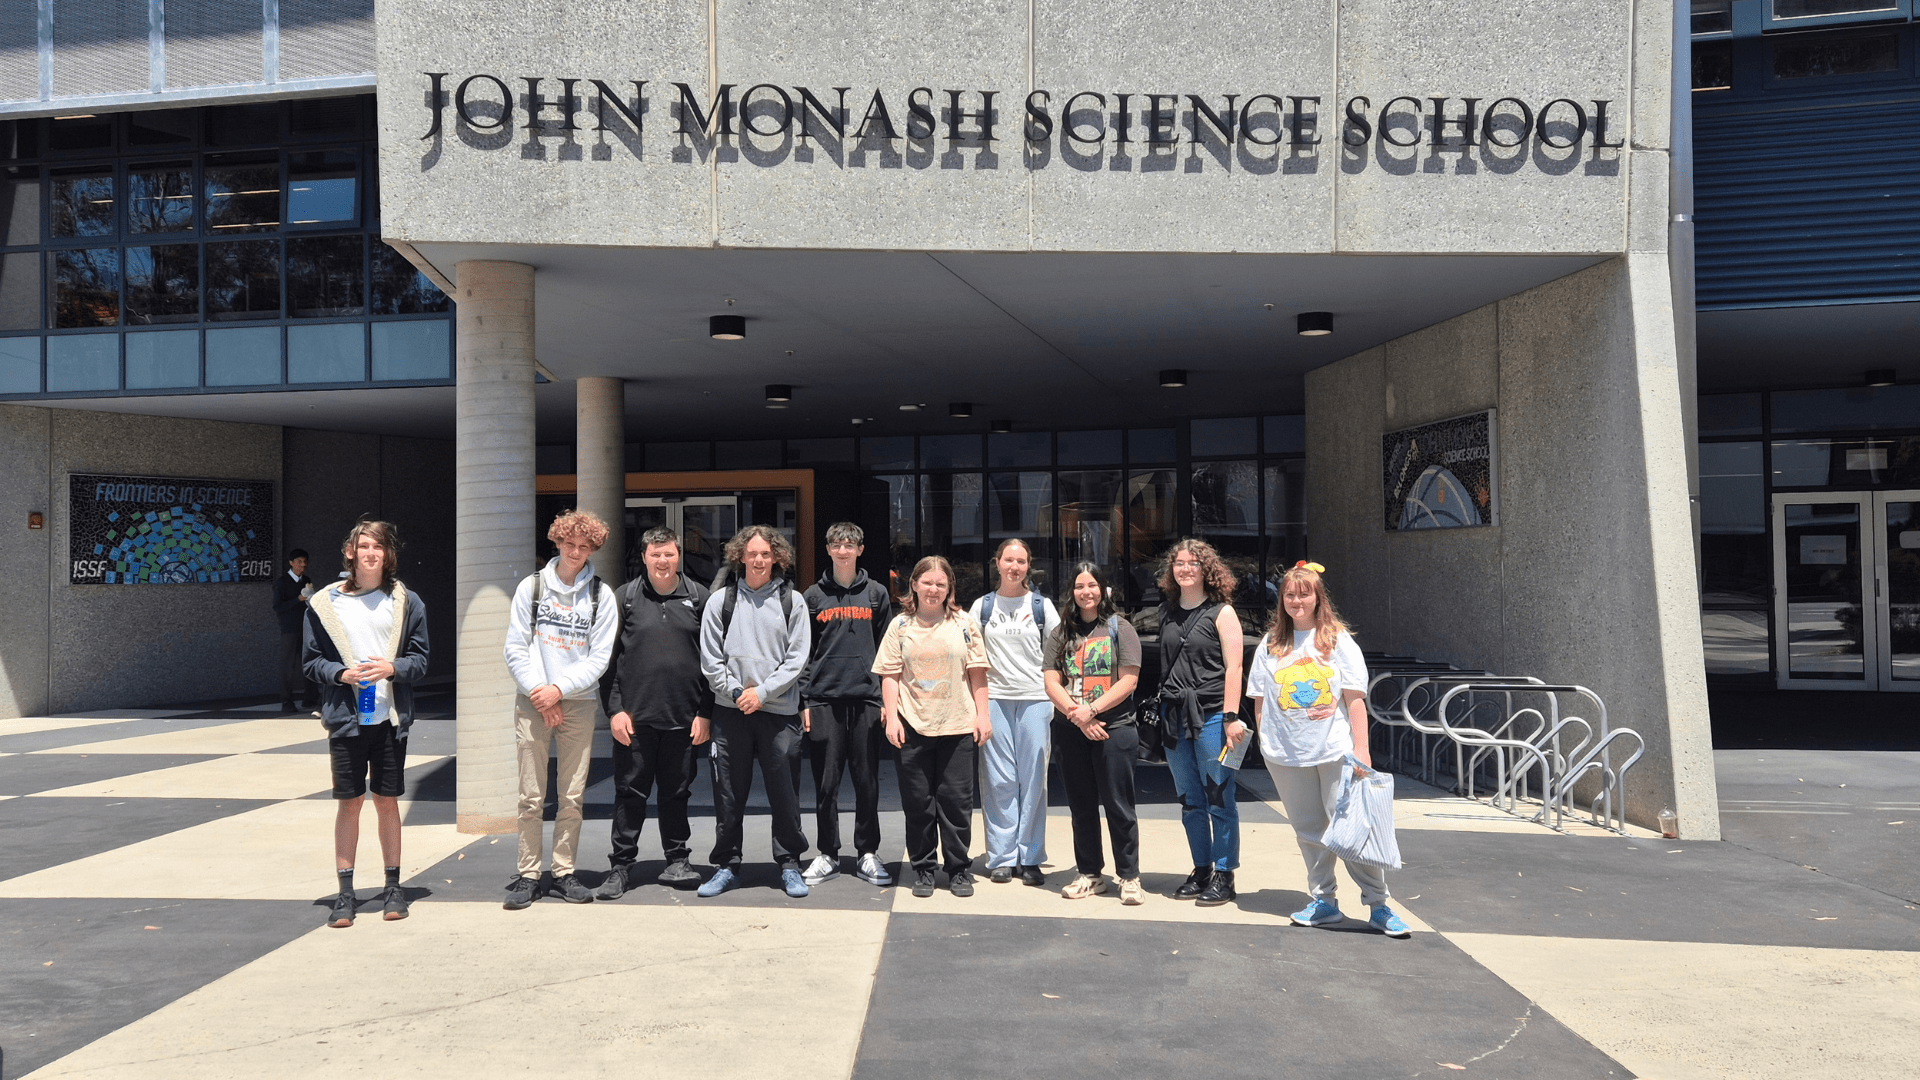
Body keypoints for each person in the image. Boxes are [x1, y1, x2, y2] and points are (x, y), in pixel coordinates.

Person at [1248, 562, 1411, 938]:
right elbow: (1260, 700)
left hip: (1334, 750)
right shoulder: (1272, 643)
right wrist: (1266, 740)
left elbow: (1355, 700)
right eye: (1289, 594)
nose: (1296, 600)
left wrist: (1362, 751)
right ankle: (1324, 901)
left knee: (1352, 829)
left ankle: (1379, 905)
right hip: (1285, 755)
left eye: (1304, 593)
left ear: (1318, 597)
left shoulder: (1337, 640)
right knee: (1308, 831)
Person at [303, 521, 430, 928]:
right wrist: (341, 675)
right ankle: (346, 893)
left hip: (390, 718)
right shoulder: (324, 603)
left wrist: (392, 667)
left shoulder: (408, 602)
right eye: (364, 546)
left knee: (387, 801)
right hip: (345, 717)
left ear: (388, 555)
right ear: (350, 553)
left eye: (378, 546)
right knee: (350, 803)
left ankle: (394, 887)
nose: (371, 552)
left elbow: (422, 660)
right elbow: (310, 662)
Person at [502, 510, 620, 909]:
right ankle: (529, 873)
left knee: (571, 795)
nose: (575, 551)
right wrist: (541, 692)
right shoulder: (531, 588)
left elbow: (599, 658)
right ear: (557, 542)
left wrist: (559, 690)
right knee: (530, 795)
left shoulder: (601, 595)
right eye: (569, 543)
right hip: (532, 700)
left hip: (578, 702)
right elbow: (515, 647)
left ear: (593, 549)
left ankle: (564, 871)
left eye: (584, 546)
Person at [595, 526, 713, 899]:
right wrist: (614, 710)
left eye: (669, 554)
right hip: (635, 720)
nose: (663, 561)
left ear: (679, 556)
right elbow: (608, 661)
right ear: (643, 557)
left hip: (685, 719)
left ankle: (677, 860)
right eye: (655, 554)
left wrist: (705, 713)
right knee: (630, 794)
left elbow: (713, 662)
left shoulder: (700, 597)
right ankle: (621, 866)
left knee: (677, 794)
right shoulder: (624, 598)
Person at [697, 524, 813, 898]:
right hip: (731, 712)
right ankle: (727, 865)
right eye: (752, 553)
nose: (759, 559)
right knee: (729, 793)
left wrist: (761, 693)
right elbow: (711, 658)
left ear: (777, 557)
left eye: (766, 553)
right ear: (740, 556)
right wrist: (735, 691)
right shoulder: (720, 601)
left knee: (784, 793)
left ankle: (790, 864)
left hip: (778, 712)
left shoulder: (793, 602)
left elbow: (797, 659)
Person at [874, 555, 991, 898]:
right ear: (914, 584)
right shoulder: (900, 626)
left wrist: (983, 716)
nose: (934, 589)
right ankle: (923, 869)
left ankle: (957, 870)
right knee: (918, 803)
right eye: (927, 582)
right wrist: (892, 716)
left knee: (956, 802)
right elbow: (890, 675)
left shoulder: (965, 623)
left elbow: (978, 673)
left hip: (957, 725)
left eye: (941, 584)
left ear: (949, 588)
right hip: (912, 726)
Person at [796, 522, 895, 888]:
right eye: (837, 544)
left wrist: (887, 699)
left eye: (849, 544)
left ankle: (868, 852)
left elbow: (889, 652)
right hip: (823, 700)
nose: (843, 550)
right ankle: (829, 854)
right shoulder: (811, 597)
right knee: (826, 784)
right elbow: (802, 654)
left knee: (867, 781)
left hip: (868, 699)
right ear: (828, 549)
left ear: (860, 549)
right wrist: (804, 699)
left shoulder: (876, 594)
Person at [1043, 562, 1144, 904]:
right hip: (1071, 730)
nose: (1086, 591)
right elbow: (1050, 681)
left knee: (1119, 805)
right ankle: (1090, 873)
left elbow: (1129, 680)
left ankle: (1129, 877)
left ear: (1103, 589)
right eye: (1079, 586)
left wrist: (1093, 710)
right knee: (1081, 805)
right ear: (1071, 592)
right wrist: (1078, 716)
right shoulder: (1061, 633)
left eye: (1092, 585)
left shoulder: (1120, 628)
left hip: (1113, 729)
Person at [1155, 538, 1248, 907]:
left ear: (1206, 568)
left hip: (1212, 717)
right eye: (1179, 563)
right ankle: (1202, 868)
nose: (1185, 568)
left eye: (1193, 562)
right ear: (1171, 570)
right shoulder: (1165, 612)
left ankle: (1225, 875)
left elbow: (1235, 667)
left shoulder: (1222, 612)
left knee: (1219, 797)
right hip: (1174, 716)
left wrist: (1230, 716)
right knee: (1189, 800)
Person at [969, 538, 1061, 886]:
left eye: (1021, 561)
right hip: (994, 699)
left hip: (1036, 699)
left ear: (1028, 565)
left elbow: (1056, 653)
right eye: (1009, 560)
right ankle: (1002, 857)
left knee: (1034, 778)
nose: (1014, 567)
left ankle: (1031, 856)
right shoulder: (983, 606)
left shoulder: (1042, 606)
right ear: (997, 562)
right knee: (998, 780)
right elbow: (972, 659)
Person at [273, 548, 315, 713]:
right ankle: (286, 700)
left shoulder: (306, 579)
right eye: (299, 562)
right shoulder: (282, 582)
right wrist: (297, 599)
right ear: (291, 563)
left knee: (308, 662)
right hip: (289, 629)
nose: (302, 565)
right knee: (288, 665)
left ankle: (310, 698)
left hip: (305, 627)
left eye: (305, 562)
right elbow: (277, 606)